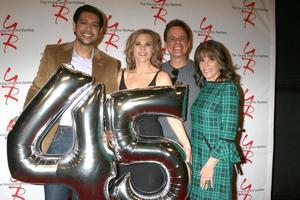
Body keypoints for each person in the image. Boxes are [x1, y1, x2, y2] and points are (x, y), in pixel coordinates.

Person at [23, 4, 120, 200]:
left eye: (94, 25)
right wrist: (26, 121)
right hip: (58, 136)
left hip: (92, 141)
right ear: (74, 26)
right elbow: (37, 88)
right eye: (83, 23)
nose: (88, 28)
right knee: (55, 197)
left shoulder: (110, 63)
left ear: (101, 31)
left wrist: (110, 129)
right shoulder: (54, 52)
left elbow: (110, 101)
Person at [117, 28, 191, 194]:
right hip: (123, 144)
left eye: (147, 44)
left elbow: (172, 115)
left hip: (150, 142)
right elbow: (110, 110)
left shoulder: (161, 77)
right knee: (123, 192)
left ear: (154, 49)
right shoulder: (120, 75)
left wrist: (186, 144)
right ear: (131, 48)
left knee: (148, 188)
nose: (143, 49)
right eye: (138, 44)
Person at [189, 40, 241, 199]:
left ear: (221, 61)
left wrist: (210, 165)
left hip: (214, 160)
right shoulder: (206, 86)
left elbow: (227, 136)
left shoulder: (228, 88)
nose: (205, 65)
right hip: (199, 157)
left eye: (211, 59)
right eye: (201, 60)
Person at [159, 19, 199, 142]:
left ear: (189, 42)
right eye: (172, 38)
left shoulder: (202, 71)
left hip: (195, 146)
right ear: (165, 44)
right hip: (161, 146)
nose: (177, 42)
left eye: (182, 38)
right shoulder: (155, 72)